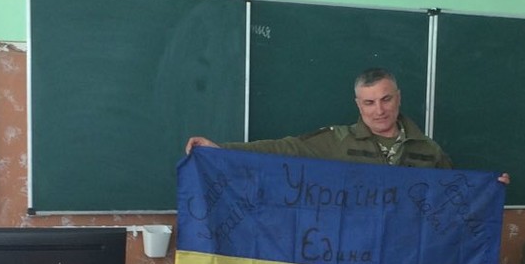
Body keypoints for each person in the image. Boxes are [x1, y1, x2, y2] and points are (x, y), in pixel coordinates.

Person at [185, 67, 451, 168]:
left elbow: (457, 197)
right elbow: (284, 148)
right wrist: (220, 150)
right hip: (353, 250)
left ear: (398, 98)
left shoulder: (429, 151)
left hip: (406, 255)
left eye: (386, 99)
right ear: (358, 105)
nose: (379, 110)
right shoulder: (337, 141)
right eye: (369, 103)